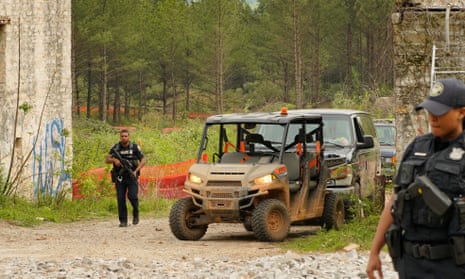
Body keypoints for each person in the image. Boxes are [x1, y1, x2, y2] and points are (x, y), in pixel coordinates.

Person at [366, 78, 465, 278]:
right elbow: (395, 200)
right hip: (411, 265)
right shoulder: (417, 147)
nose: (433, 118)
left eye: (440, 112)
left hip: (452, 267)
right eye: (430, 111)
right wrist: (374, 251)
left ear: (461, 112)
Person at [106, 129, 146, 227]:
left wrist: (136, 171)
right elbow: (107, 159)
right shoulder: (116, 147)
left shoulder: (134, 147)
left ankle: (135, 213)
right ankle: (123, 221)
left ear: (129, 137)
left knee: (132, 196)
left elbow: (143, 159)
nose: (124, 138)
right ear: (120, 137)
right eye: (122, 136)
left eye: (126, 136)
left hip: (132, 176)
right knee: (120, 199)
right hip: (120, 177)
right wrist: (114, 160)